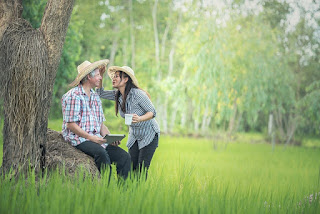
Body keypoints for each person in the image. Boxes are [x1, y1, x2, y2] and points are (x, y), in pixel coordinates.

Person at [61, 59, 131, 180]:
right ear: (89, 76)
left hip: (96, 139)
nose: (100, 78)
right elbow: (71, 125)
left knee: (124, 157)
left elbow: (101, 125)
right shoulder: (74, 96)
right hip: (79, 139)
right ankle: (106, 188)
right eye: (98, 75)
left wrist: (110, 138)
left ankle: (122, 192)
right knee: (101, 154)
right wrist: (91, 137)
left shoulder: (95, 97)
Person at [96, 65, 160, 179]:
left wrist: (140, 118)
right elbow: (100, 93)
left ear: (125, 79)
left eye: (117, 76)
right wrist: (100, 75)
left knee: (141, 170)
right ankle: (129, 193)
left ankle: (139, 194)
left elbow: (152, 112)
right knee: (130, 167)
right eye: (113, 76)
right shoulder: (118, 95)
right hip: (134, 135)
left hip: (148, 134)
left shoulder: (138, 94)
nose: (113, 79)